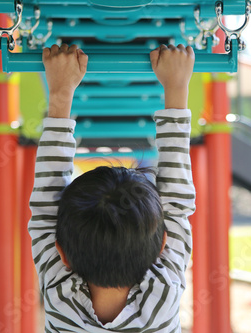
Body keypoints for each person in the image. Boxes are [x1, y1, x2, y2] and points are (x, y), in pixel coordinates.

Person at [28, 43, 196, 332]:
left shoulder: (164, 293)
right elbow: (46, 208)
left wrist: (176, 89)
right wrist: (60, 92)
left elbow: (176, 207)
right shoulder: (58, 296)